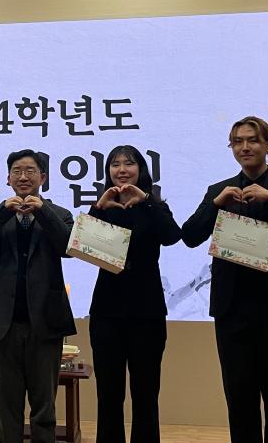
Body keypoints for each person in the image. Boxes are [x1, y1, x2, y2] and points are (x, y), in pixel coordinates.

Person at [181, 116, 268, 443]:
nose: (244, 147)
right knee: (239, 396)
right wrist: (215, 206)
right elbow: (189, 236)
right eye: (237, 142)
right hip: (233, 307)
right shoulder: (219, 190)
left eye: (252, 140)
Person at [0, 149, 76, 443]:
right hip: (5, 324)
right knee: (8, 407)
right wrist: (4, 211)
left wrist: (42, 211)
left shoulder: (60, 214)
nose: (23, 176)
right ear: (8, 179)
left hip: (46, 323)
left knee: (44, 408)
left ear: (43, 177)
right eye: (17, 171)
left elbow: (69, 247)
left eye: (30, 171)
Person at [87, 145, 182, 443]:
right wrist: (98, 208)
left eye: (129, 163)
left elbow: (172, 236)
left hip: (147, 312)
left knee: (146, 394)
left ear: (141, 169)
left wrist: (147, 202)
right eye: (115, 164)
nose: (122, 170)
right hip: (106, 311)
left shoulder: (155, 206)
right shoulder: (102, 206)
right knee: (108, 395)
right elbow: (84, 248)